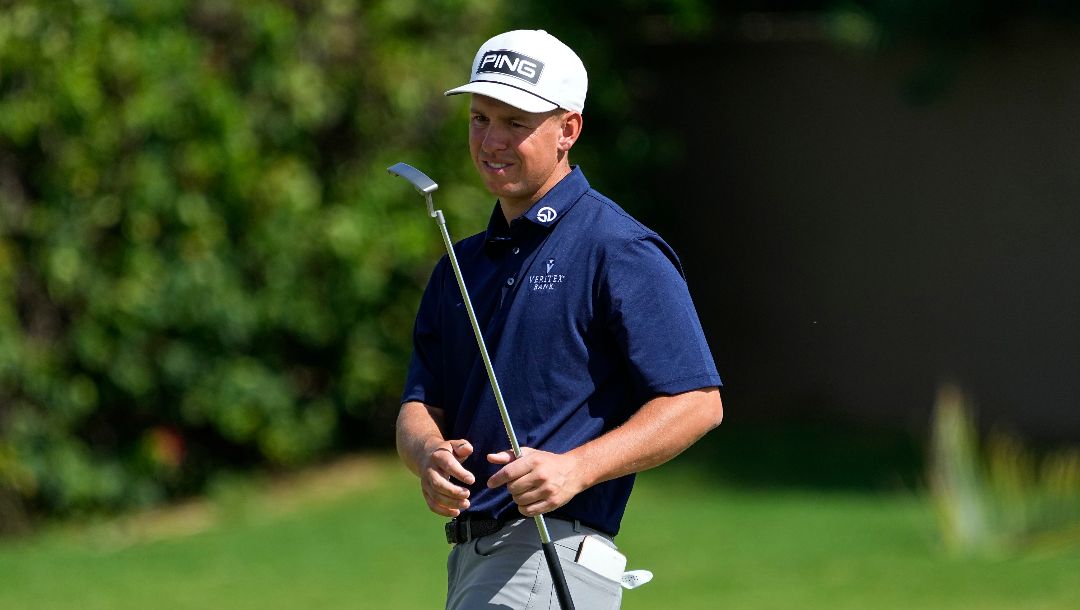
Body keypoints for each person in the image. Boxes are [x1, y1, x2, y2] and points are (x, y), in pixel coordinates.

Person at [396, 29, 724, 610]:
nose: (491, 141)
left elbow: (697, 402)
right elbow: (421, 405)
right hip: (472, 561)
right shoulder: (461, 264)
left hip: (549, 556)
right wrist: (428, 455)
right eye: (480, 118)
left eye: (515, 123)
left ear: (567, 130)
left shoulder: (617, 247)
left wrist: (576, 468)